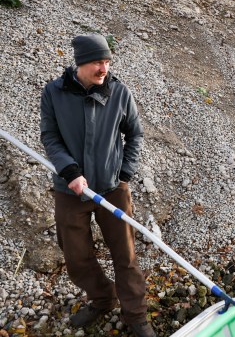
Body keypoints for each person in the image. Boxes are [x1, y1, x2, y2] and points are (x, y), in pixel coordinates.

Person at [40, 34, 156, 337]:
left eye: (107, 61)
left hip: (112, 188)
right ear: (80, 63)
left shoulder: (119, 92)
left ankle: (136, 315)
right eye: (96, 62)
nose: (103, 68)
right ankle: (102, 298)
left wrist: (125, 173)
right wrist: (70, 171)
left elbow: (135, 135)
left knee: (125, 254)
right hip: (70, 189)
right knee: (76, 256)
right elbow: (50, 136)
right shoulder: (54, 92)